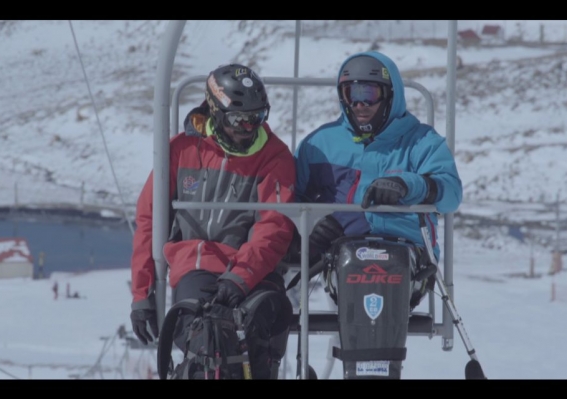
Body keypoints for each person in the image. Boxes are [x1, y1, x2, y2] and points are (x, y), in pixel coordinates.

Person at [129, 64, 296, 379]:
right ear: (215, 111)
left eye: (258, 117)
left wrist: (240, 276)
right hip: (197, 267)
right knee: (207, 335)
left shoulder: (274, 157)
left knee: (256, 327)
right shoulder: (181, 150)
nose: (249, 127)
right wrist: (142, 294)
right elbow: (150, 219)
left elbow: (274, 227)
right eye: (239, 119)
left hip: (254, 271)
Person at [294, 50, 463, 304]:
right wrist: (313, 230)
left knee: (369, 274)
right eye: (352, 95)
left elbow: (451, 193)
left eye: (368, 95)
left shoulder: (421, 142)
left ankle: (369, 341)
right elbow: (291, 199)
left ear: (389, 95)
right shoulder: (321, 144)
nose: (360, 105)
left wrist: (409, 186)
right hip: (341, 250)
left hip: (405, 251)